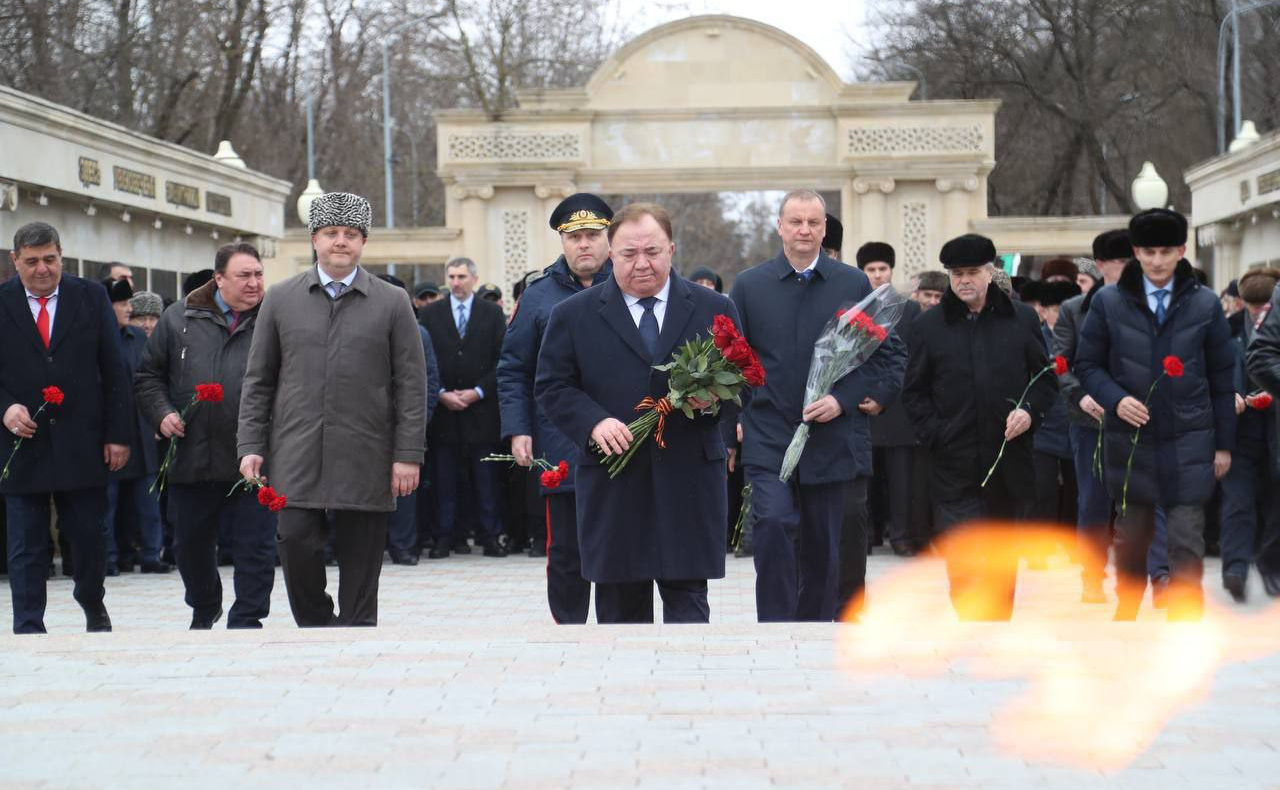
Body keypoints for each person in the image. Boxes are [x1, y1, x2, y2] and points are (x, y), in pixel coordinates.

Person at [536, 202, 738, 623]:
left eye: (653, 251)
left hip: (688, 481)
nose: (641, 263)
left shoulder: (713, 307)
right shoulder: (573, 315)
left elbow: (742, 380)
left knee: (689, 615)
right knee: (620, 617)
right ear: (611, 254)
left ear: (672, 250)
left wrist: (713, 401)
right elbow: (552, 386)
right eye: (629, 253)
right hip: (614, 483)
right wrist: (593, 421)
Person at [238, 192, 427, 627]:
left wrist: (408, 454)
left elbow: (412, 385)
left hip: (367, 451)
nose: (341, 241)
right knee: (295, 540)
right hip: (296, 451)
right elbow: (258, 380)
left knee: (362, 560)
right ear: (314, 239)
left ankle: (356, 634)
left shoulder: (392, 301)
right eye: (331, 233)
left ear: (364, 241)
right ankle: (317, 625)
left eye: (351, 234)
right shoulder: (281, 298)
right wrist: (250, 445)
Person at [729, 191, 905, 622]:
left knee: (823, 546)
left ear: (825, 229)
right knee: (772, 524)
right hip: (769, 433)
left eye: (813, 222)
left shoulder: (853, 284)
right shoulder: (749, 286)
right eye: (795, 222)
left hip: (829, 435)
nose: (804, 230)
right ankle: (775, 626)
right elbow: (732, 359)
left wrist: (841, 400)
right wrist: (734, 421)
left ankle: (811, 632)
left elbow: (875, 356)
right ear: (780, 227)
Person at [1076, 209, 1235, 621]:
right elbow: (1087, 364)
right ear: (1136, 253)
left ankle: (1185, 614)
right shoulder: (1109, 302)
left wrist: (1223, 445)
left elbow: (1222, 377)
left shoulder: (1204, 303)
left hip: (1190, 436)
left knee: (1186, 534)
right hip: (1131, 439)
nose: (1158, 261)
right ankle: (1128, 608)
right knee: (1132, 533)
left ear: (1182, 251)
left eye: (1167, 251)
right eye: (1149, 252)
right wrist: (1115, 400)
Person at [902, 234, 1057, 621]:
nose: (965, 280)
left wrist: (1029, 413)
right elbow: (914, 392)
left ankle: (995, 630)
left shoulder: (1021, 319)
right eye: (957, 274)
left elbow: (1044, 382)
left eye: (972, 272)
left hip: (1007, 461)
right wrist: (936, 434)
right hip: (952, 463)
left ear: (990, 273)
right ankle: (971, 625)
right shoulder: (928, 326)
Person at [136, 243, 278, 628]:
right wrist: (162, 413)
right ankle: (204, 604)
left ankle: (247, 617)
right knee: (189, 545)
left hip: (255, 456)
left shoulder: (275, 317)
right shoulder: (178, 318)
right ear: (219, 279)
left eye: (258, 274)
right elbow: (149, 377)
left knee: (256, 545)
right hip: (193, 455)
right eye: (243, 275)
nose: (254, 283)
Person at [1, 221, 133, 633]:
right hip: (22, 443)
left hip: (83, 440)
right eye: (32, 262)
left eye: (50, 259)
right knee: (26, 542)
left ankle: (92, 601)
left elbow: (114, 368)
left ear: (62, 256)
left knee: (89, 536)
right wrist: (5, 408)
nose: (42, 269)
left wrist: (118, 435)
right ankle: (28, 623)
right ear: (15, 261)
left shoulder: (90, 297)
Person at [499, 193, 614, 624]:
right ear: (563, 242)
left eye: (592, 235)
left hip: (624, 437)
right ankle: (569, 630)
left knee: (618, 542)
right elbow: (514, 368)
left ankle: (620, 629)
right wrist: (518, 429)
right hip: (560, 440)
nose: (584, 244)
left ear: (608, 238)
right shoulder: (538, 296)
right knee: (566, 548)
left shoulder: (629, 284)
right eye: (575, 237)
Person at [1054, 229, 1130, 603]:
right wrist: (1081, 397)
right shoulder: (1074, 309)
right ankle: (1092, 576)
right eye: (1122, 261)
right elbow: (1060, 362)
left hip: (1138, 419)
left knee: (1138, 501)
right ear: (1100, 265)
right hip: (1090, 422)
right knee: (1094, 501)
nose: (1131, 268)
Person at [421, 257, 508, 558]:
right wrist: (441, 393)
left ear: (474, 279)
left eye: (461, 277)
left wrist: (478, 391)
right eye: (452, 277)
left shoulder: (492, 314)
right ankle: (444, 538)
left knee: (486, 481)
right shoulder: (431, 314)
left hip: (481, 412)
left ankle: (490, 536)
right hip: (444, 413)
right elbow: (423, 359)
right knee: (444, 481)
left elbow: (502, 359)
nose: (456, 283)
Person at [855, 242, 927, 558]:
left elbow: (911, 357)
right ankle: (867, 534)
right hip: (861, 402)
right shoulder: (853, 308)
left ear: (891, 271)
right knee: (866, 477)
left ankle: (901, 535)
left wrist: (888, 392)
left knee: (901, 479)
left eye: (882, 268)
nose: (877, 274)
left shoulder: (909, 309)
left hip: (898, 405)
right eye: (871, 269)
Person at [1217, 268, 1280, 602]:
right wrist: (1229, 397)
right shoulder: (1224, 331)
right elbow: (1212, 373)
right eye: (1251, 305)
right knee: (1237, 500)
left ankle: (1270, 565)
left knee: (1273, 500)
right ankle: (1236, 569)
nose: (1256, 312)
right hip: (1238, 430)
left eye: (1263, 305)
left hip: (1275, 428)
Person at [102, 278, 169, 576]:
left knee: (148, 499)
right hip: (109, 432)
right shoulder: (96, 338)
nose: (129, 309)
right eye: (122, 303)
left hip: (142, 429)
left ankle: (152, 554)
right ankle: (110, 556)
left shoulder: (139, 338)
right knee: (109, 502)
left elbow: (151, 380)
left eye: (129, 303)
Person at [375, 273, 440, 565]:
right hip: (365, 425)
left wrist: (420, 422)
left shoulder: (418, 332)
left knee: (405, 488)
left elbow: (429, 381)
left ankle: (403, 546)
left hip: (405, 424)